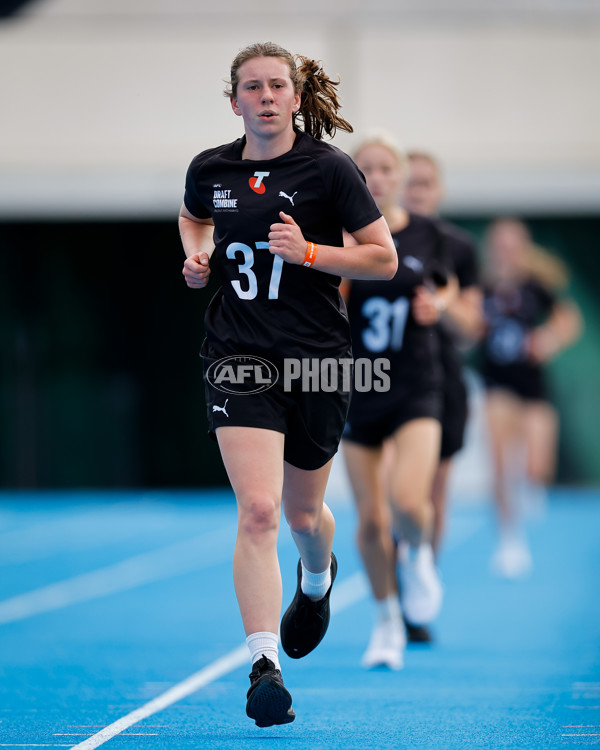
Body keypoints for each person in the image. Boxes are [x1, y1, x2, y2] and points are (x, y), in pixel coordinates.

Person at [178, 43, 397, 727]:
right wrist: (196, 252)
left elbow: (382, 260)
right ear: (235, 100)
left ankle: (316, 578)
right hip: (238, 355)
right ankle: (263, 665)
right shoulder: (210, 170)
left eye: (278, 85)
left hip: (317, 360)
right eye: (253, 87)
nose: (266, 96)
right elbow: (194, 215)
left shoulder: (330, 169)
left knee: (305, 517)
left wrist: (308, 252)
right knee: (260, 512)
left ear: (297, 99)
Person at [341, 134, 456, 670]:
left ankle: (419, 557)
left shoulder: (429, 233)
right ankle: (386, 623)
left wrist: (440, 302)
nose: (377, 178)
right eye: (366, 169)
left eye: (387, 169)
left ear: (400, 177)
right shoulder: (341, 239)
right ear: (354, 178)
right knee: (368, 520)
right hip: (359, 385)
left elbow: (447, 285)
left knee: (410, 501)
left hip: (416, 384)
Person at [478, 218, 582, 577]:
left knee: (538, 468)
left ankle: (526, 487)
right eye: (500, 243)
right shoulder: (483, 286)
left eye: (513, 243)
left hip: (533, 384)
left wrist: (548, 339)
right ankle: (509, 539)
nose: (506, 250)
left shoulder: (536, 285)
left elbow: (569, 319)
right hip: (497, 382)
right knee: (499, 463)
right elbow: (470, 325)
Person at [403, 151, 483, 573]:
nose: (416, 191)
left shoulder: (457, 247)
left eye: (425, 183)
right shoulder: (373, 240)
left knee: (434, 489)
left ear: (439, 190)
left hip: (439, 377)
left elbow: (471, 327)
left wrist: (440, 305)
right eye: (409, 182)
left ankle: (423, 573)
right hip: (383, 377)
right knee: (387, 491)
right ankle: (392, 580)